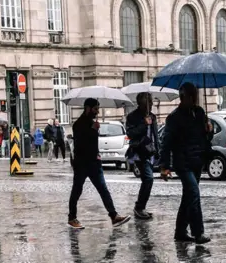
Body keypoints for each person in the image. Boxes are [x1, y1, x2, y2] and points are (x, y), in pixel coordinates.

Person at [67, 98, 130, 229]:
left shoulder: (92, 123)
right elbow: (80, 144)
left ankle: (113, 216)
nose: (97, 111)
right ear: (88, 108)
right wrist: (92, 130)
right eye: (95, 108)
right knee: (77, 190)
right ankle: (72, 217)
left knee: (103, 189)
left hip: (94, 162)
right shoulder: (78, 124)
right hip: (82, 163)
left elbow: (92, 143)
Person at [161, 83, 211, 243]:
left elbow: (205, 138)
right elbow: (166, 143)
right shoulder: (174, 117)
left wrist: (209, 130)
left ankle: (180, 232)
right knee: (194, 194)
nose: (196, 99)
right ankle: (198, 233)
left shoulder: (200, 113)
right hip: (183, 163)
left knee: (188, 197)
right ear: (186, 97)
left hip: (197, 161)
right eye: (193, 96)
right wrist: (164, 166)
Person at [126, 92, 159, 220]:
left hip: (150, 152)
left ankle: (141, 206)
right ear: (141, 103)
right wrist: (143, 125)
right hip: (139, 152)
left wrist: (158, 152)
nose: (150, 105)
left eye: (151, 102)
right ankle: (139, 207)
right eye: (148, 102)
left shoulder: (153, 117)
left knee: (148, 180)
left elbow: (155, 136)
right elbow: (130, 133)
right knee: (148, 178)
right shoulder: (132, 117)